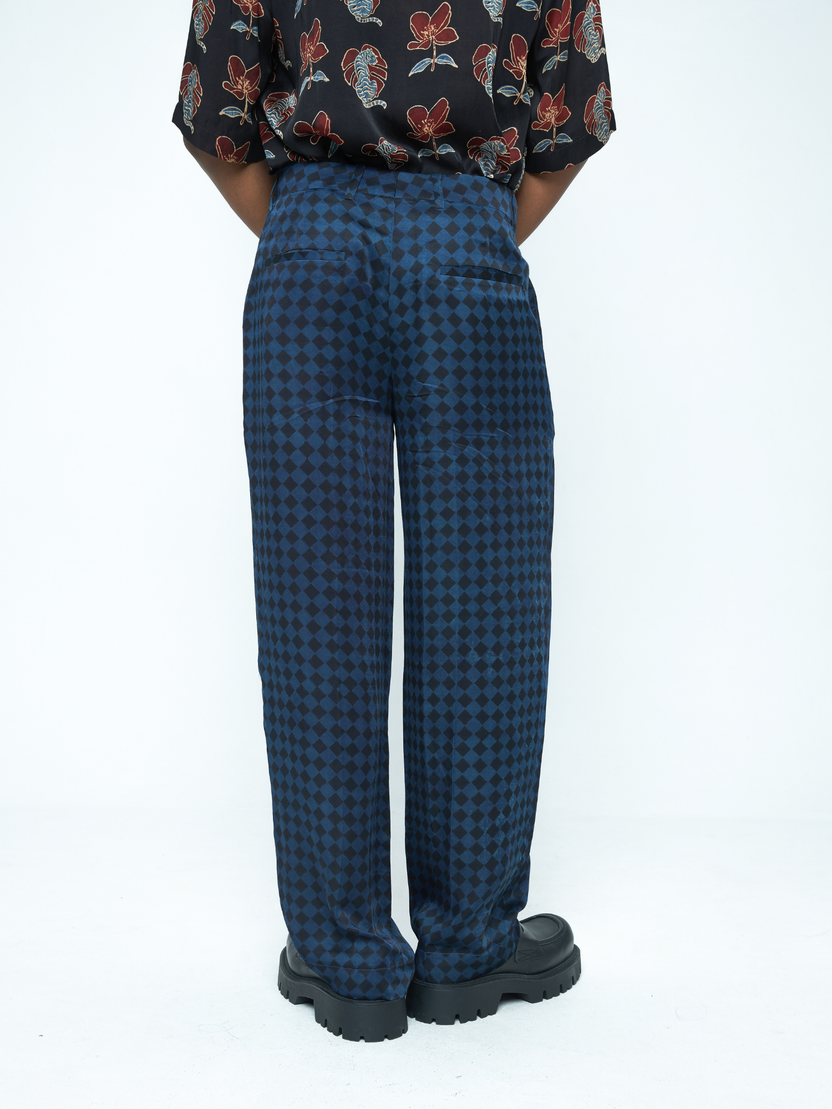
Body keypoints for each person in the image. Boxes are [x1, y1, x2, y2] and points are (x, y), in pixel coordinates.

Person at [172, 0, 615, 1043]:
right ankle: (467, 945)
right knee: (484, 597)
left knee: (314, 607)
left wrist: (314, 233)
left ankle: (345, 960)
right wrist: (460, 237)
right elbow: (567, 122)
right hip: (465, 235)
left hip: (309, 243)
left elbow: (215, 118)